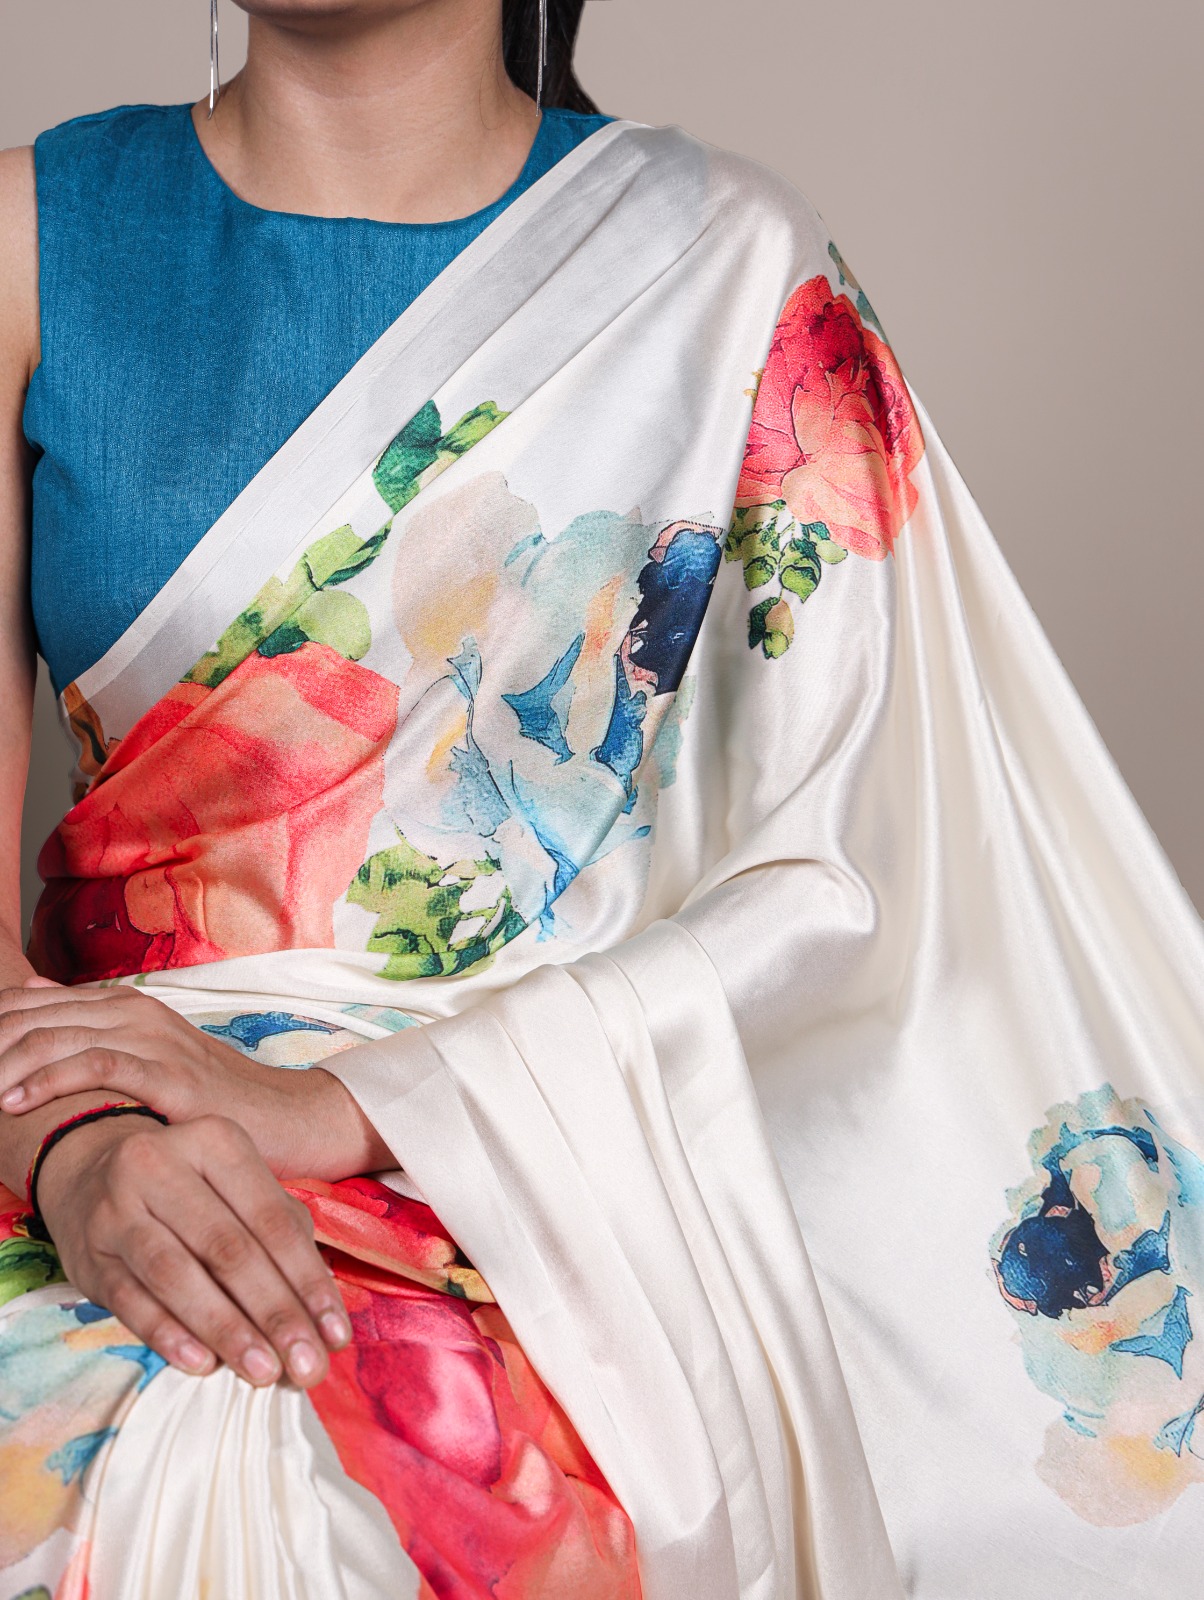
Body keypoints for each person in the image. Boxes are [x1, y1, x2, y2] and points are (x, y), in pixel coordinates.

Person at [1, 0, 1202, 1595]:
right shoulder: (25, 243)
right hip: (86, 1122)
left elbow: (856, 877)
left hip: (539, 1161)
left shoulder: (731, 271)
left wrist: (349, 1107)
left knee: (443, 1515)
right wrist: (80, 1153)